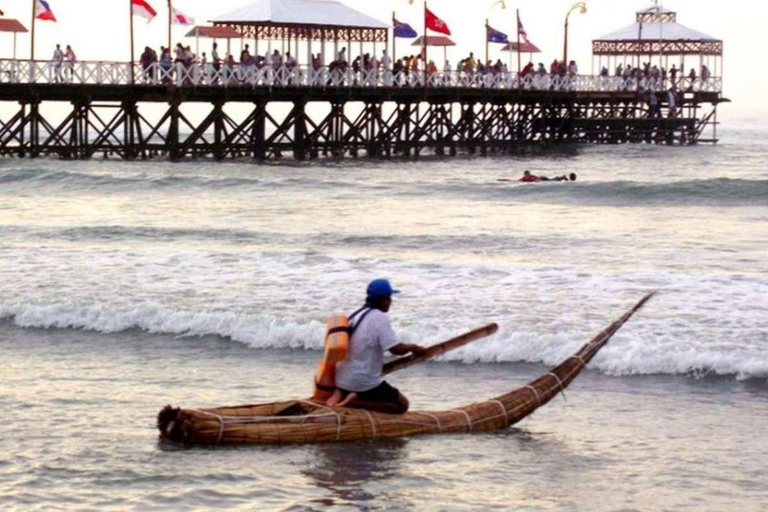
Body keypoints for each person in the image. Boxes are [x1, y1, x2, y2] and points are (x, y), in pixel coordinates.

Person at [327, 279, 426, 414]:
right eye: (389, 298)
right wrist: (412, 347)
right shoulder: (379, 318)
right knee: (402, 405)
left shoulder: (355, 315)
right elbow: (395, 349)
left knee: (373, 389)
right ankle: (355, 403)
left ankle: (343, 394)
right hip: (361, 382)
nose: (391, 302)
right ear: (382, 299)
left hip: (341, 378)